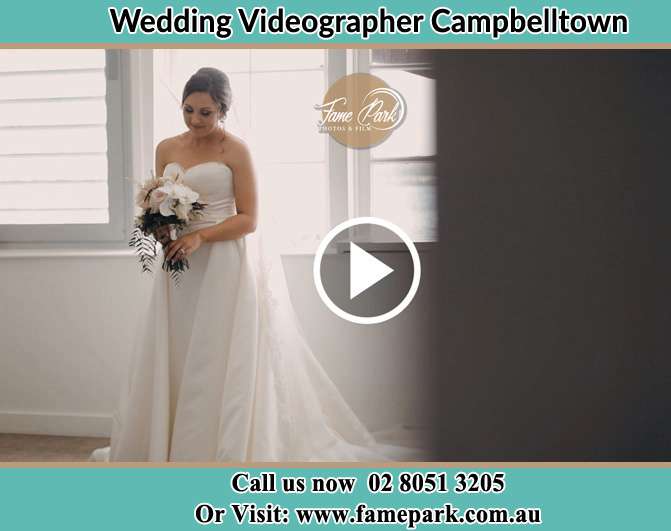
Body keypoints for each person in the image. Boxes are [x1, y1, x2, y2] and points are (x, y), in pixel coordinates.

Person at [90, 67, 428, 462]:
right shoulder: (167, 147)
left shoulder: (235, 151)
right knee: (177, 351)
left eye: (206, 113)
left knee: (217, 355)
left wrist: (200, 236)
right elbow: (159, 201)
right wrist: (163, 229)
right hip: (179, 266)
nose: (195, 121)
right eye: (188, 110)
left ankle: (214, 447)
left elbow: (249, 218)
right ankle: (171, 444)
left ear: (223, 111)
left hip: (223, 264)